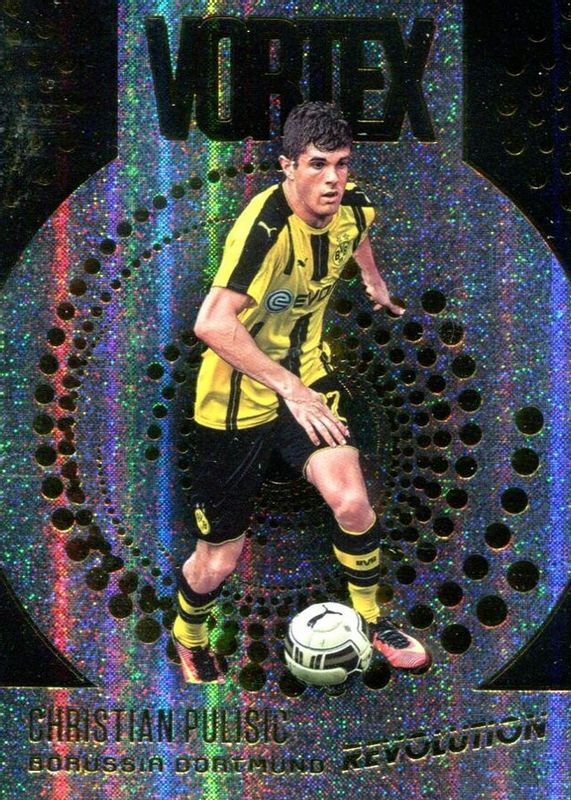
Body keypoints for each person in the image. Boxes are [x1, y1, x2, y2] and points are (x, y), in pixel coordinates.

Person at [171, 101, 430, 683]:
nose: (333, 179)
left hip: (307, 377)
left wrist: (373, 279)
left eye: (341, 164)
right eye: (317, 165)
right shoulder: (264, 229)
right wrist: (289, 389)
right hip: (233, 404)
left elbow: (358, 232)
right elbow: (212, 323)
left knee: (352, 501)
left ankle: (371, 621)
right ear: (288, 167)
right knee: (219, 561)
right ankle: (189, 634)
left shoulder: (353, 205)